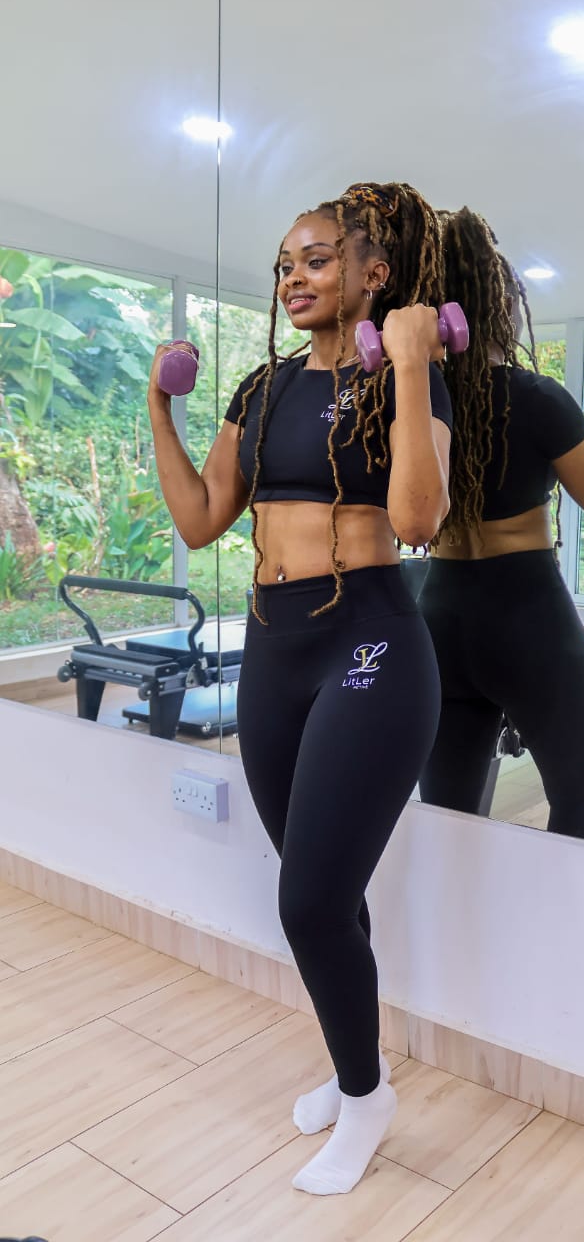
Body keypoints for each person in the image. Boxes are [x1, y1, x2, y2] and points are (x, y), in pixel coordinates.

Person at [147, 182, 452, 1195]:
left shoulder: (408, 379)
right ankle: (352, 1067)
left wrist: (409, 365)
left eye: (317, 259)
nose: (294, 277)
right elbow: (201, 519)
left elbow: (417, 519)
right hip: (273, 650)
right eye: (284, 263)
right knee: (325, 889)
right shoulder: (260, 390)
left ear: (372, 274)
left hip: (369, 641)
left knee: (309, 895)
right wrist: (160, 406)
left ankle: (366, 1100)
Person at [417, 206, 584, 841]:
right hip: (527, 618)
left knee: (447, 824)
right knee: (574, 804)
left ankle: (456, 936)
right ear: (501, 303)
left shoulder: (416, 403)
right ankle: (559, 939)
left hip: (439, 615)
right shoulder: (539, 398)